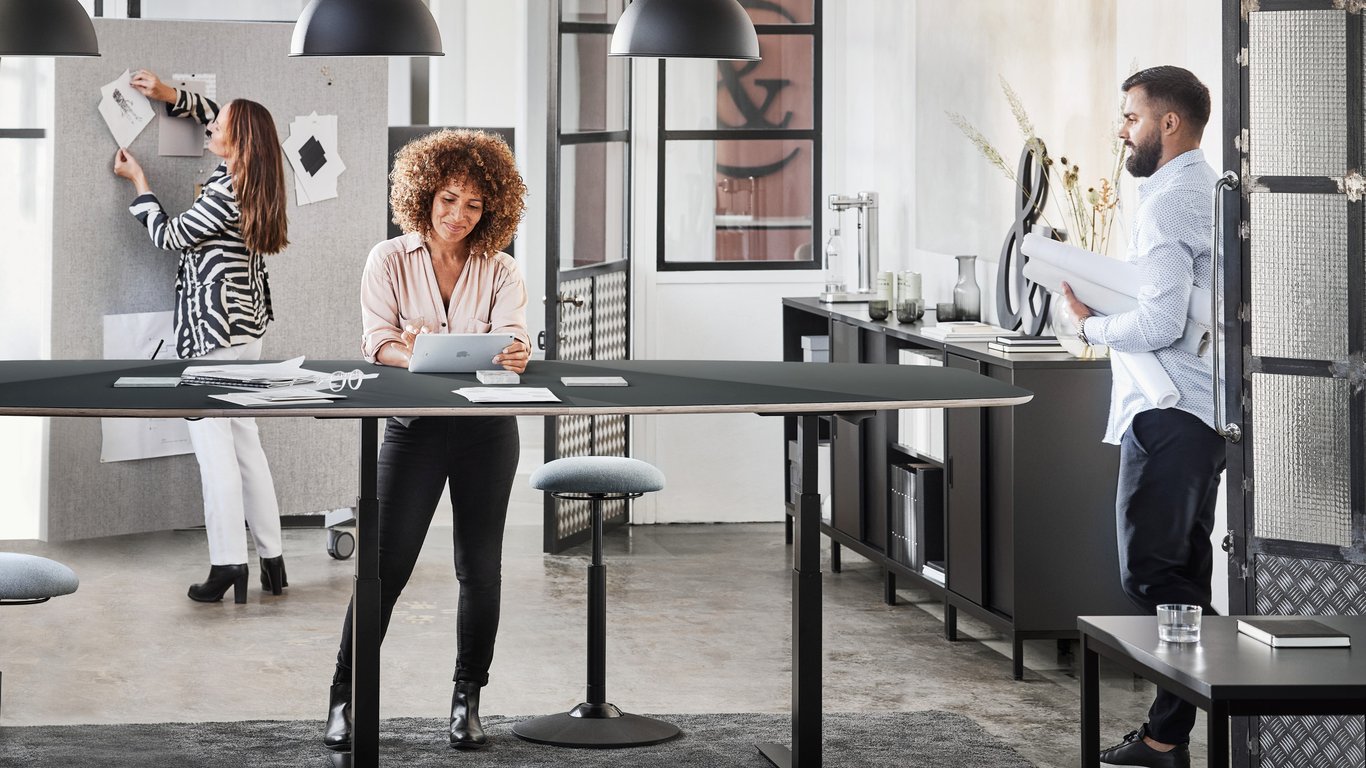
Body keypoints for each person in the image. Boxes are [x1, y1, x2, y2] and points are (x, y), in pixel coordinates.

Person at [323, 129, 530, 752]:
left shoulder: (503, 268)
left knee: (480, 571)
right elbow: (377, 341)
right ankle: (345, 698)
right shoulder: (387, 259)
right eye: (447, 200)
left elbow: (510, 345)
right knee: (383, 569)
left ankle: (467, 700)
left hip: (485, 434)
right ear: (423, 196)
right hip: (413, 432)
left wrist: (509, 353)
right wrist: (407, 350)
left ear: (491, 208)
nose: (457, 216)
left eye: (473, 205)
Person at [1060, 66, 1225, 768]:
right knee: (1180, 573)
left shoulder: (1169, 203)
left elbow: (1158, 319)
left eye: (1130, 117)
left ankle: (1251, 682)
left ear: (1168, 124)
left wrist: (1088, 325)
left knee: (1153, 575)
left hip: (1169, 408)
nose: (1120, 130)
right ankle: (1166, 739)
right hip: (1194, 408)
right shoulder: (1199, 189)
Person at [112, 70, 291, 605]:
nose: (211, 124)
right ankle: (273, 561)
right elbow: (223, 111)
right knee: (244, 444)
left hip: (212, 332)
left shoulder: (224, 188)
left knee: (214, 452)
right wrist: (172, 97)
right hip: (245, 330)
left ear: (237, 141)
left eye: (220, 126)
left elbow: (169, 236)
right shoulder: (255, 174)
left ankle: (228, 564)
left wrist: (139, 183)